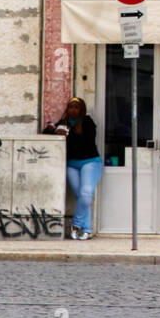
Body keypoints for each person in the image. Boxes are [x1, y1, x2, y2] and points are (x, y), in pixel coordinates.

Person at [44, 97, 103, 240]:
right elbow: (46, 135)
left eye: (76, 107)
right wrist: (53, 130)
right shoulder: (63, 123)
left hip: (90, 161)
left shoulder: (87, 122)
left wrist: (67, 136)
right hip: (72, 163)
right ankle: (87, 229)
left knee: (87, 193)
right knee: (82, 197)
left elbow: (87, 142)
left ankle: (76, 225)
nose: (73, 110)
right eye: (70, 107)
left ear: (81, 109)